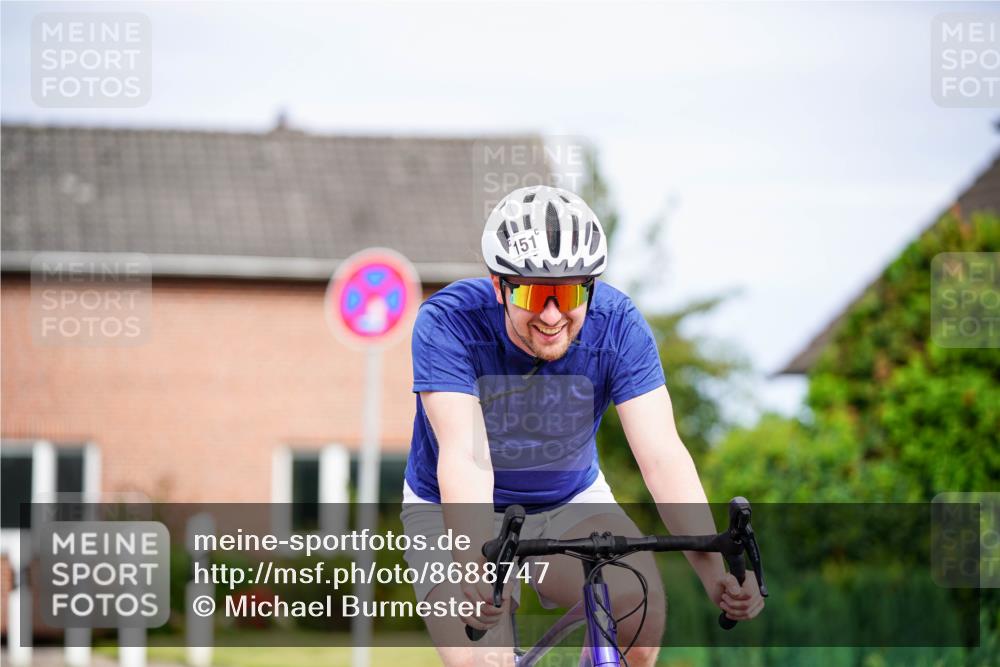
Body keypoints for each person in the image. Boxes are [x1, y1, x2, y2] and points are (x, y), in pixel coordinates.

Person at [401, 185, 763, 667]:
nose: (552, 316)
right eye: (533, 293)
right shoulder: (448, 322)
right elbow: (465, 456)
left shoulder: (618, 326)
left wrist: (714, 570)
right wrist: (472, 567)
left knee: (641, 603)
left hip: (569, 500)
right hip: (450, 506)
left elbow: (661, 457)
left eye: (569, 293)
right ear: (498, 286)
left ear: (590, 287)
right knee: (483, 660)